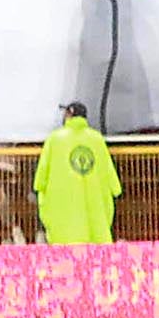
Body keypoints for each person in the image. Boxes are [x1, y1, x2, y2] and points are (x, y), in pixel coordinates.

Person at [37, 100, 120, 245]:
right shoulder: (97, 140)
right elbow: (114, 184)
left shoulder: (54, 140)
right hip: (96, 228)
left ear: (69, 115)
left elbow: (40, 182)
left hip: (63, 228)